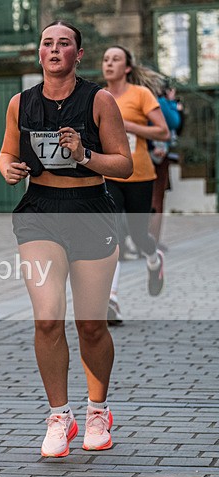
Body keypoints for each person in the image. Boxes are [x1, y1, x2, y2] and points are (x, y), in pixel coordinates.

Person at [0, 21, 133, 458]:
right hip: (40, 213)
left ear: (78, 54)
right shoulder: (21, 103)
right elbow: (7, 152)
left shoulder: (99, 100)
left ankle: (98, 410)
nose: (55, 50)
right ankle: (59, 416)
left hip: (90, 211)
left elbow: (124, 165)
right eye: (47, 43)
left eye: (64, 43)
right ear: (39, 53)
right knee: (47, 318)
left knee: (90, 324)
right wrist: (8, 168)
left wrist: (83, 155)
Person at [102, 45, 170, 324]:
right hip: (109, 175)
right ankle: (112, 300)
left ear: (127, 67)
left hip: (140, 175)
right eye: (106, 59)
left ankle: (154, 260)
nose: (109, 64)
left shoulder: (140, 94)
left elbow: (163, 132)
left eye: (115, 59)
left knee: (139, 236)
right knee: (114, 234)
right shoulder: (99, 97)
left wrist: (129, 126)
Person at [149, 81, 182, 244]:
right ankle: (152, 240)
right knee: (156, 197)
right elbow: (174, 122)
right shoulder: (160, 102)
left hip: (142, 152)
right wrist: (173, 103)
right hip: (157, 154)